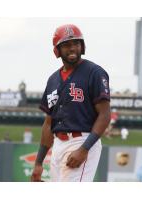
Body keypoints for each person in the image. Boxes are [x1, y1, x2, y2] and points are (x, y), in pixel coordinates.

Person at [31, 24, 110, 182]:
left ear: (82, 46)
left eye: (76, 43)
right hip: (58, 144)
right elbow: (48, 123)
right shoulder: (53, 79)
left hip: (83, 140)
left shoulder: (94, 73)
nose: (72, 48)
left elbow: (105, 114)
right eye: (66, 45)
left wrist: (84, 149)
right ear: (57, 50)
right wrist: (38, 163)